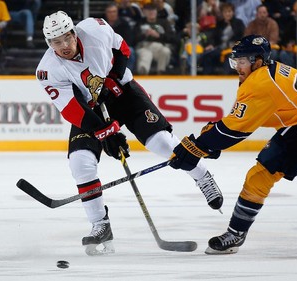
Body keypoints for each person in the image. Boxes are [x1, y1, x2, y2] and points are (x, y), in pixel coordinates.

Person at [36, 11, 223, 255]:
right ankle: (100, 225)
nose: (63, 46)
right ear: (49, 44)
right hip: (90, 111)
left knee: (162, 144)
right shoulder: (47, 70)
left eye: (66, 38)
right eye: (55, 42)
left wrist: (111, 78)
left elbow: (123, 49)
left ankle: (203, 176)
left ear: (74, 32)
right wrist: (107, 134)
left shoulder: (95, 29)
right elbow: (74, 109)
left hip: (125, 94)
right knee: (80, 162)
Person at [169, 34, 297, 255]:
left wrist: (195, 147)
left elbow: (233, 131)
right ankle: (236, 233)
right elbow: (236, 123)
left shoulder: (261, 82)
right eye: (235, 61)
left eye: (242, 61)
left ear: (258, 61)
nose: (237, 66)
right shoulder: (262, 74)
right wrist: (202, 144)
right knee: (258, 177)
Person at [133, 3, 178, 75]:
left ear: (156, 11)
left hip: (159, 47)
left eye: (153, 10)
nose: (151, 12)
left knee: (165, 51)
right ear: (144, 12)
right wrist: (145, 35)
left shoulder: (164, 22)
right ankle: (143, 73)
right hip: (144, 46)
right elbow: (133, 39)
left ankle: (161, 72)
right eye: (149, 11)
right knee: (146, 55)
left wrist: (159, 35)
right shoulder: (140, 23)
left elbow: (173, 38)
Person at [104, 2, 136, 72]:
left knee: (131, 51)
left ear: (117, 12)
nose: (112, 14)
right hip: (105, 47)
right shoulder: (102, 24)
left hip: (121, 47)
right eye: (110, 12)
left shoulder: (124, 23)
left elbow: (129, 38)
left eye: (114, 11)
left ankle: (127, 73)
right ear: (106, 13)